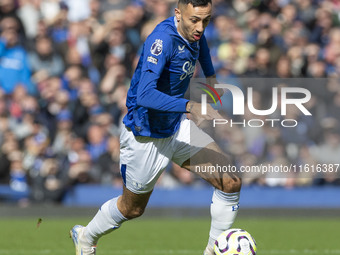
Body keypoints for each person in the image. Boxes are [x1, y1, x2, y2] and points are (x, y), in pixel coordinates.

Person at [70, 1, 242, 255]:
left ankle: (213, 251)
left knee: (230, 181)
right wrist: (191, 107)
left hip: (175, 126)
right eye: (195, 20)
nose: (200, 27)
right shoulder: (161, 41)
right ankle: (86, 236)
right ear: (178, 13)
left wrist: (211, 78)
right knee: (132, 209)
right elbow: (145, 95)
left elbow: (200, 44)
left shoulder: (195, 32)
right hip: (144, 134)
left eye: (206, 20)